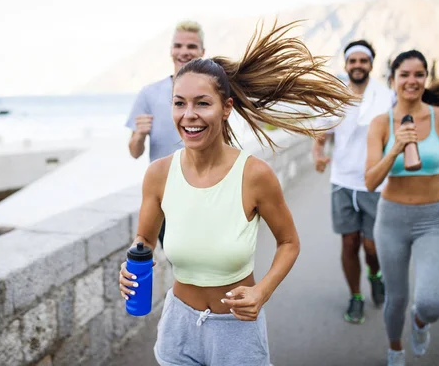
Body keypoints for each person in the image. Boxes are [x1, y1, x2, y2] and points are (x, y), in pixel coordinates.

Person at [119, 20, 357, 366]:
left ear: (226, 108)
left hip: (237, 332)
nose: (188, 116)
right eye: (179, 104)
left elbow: (289, 242)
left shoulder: (254, 175)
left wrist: (263, 291)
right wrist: (130, 263)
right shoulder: (158, 174)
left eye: (202, 104)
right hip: (178, 329)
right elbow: (144, 238)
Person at [365, 50, 439, 366]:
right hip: (391, 221)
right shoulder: (380, 124)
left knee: (431, 304)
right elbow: (371, 181)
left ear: (426, 79)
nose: (412, 81)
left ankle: (420, 322)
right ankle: (396, 349)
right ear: (392, 80)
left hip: (433, 220)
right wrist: (396, 148)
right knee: (396, 298)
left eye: (419, 74)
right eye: (405, 74)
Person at [312, 40, 392, 324]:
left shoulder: (386, 96)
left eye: (363, 60)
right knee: (349, 243)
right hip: (342, 182)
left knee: (371, 246)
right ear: (346, 65)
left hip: (375, 184)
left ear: (371, 64)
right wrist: (318, 155)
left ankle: (375, 273)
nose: (358, 65)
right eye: (352, 61)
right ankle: (356, 296)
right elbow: (322, 133)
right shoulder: (335, 96)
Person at [125, 20, 205, 248]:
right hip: (166, 197)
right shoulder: (149, 94)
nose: (184, 52)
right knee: (178, 262)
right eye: (178, 46)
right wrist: (139, 135)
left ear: (202, 52)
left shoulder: (214, 93)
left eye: (191, 47)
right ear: (171, 50)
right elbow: (134, 151)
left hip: (206, 193)